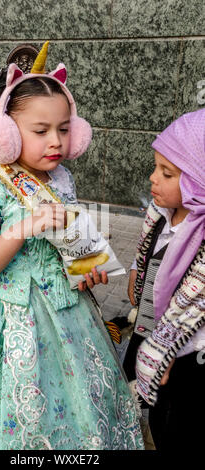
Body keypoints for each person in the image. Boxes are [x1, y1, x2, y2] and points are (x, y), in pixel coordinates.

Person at [0, 43, 143, 451]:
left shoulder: (62, 179)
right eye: (40, 131)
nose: (56, 142)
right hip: (1, 319)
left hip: (69, 317)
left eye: (64, 129)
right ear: (6, 133)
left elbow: (69, 249)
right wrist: (24, 228)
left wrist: (87, 272)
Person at [124, 108, 205, 451]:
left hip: (188, 353)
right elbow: (147, 249)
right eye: (156, 167)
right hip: (148, 329)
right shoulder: (162, 213)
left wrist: (168, 348)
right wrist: (135, 272)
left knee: (178, 425)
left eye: (167, 173)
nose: (153, 178)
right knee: (153, 413)